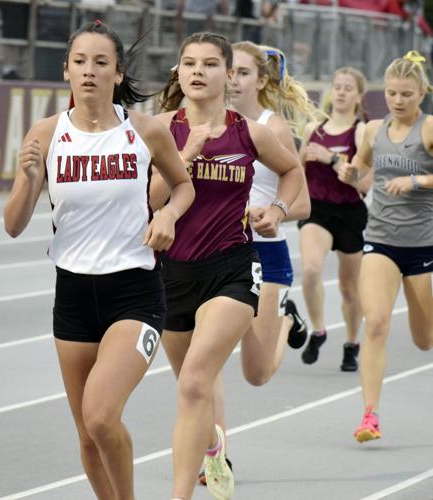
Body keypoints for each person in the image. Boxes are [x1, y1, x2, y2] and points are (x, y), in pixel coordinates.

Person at [3, 20, 194, 499]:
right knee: (87, 436)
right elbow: (13, 223)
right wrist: (29, 179)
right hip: (72, 294)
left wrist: (168, 213)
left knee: (102, 415)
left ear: (117, 72)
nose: (89, 70)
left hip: (134, 291)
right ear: (66, 70)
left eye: (100, 62)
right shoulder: (46, 134)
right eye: (80, 61)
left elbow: (184, 186)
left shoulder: (146, 131)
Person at [152, 32, 303, 500]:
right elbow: (150, 200)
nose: (198, 71)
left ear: (226, 74)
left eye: (211, 64)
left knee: (197, 380)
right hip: (171, 273)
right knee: (190, 387)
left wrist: (275, 210)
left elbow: (293, 171)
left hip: (232, 269)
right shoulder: (157, 129)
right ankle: (213, 441)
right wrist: (187, 153)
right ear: (178, 71)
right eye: (189, 63)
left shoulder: (250, 132)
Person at [193, 41, 316, 489]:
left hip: (264, 253)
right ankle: (216, 458)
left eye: (245, 73)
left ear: (261, 80)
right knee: (206, 361)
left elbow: (301, 200)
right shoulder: (206, 119)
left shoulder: (271, 127)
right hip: (216, 251)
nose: (235, 80)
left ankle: (284, 319)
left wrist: (275, 212)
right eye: (233, 72)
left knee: (257, 373)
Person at [338, 50, 433, 443]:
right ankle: (369, 415)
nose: (397, 100)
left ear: (422, 94)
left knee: (423, 339)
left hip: (422, 244)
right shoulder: (374, 129)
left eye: (406, 94)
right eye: (392, 93)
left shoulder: (428, 130)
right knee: (375, 322)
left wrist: (416, 182)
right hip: (380, 239)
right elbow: (358, 165)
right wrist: (350, 171)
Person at [298, 66, 372, 371]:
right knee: (312, 269)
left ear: (358, 95)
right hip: (316, 209)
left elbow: (365, 185)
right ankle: (318, 330)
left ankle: (352, 343)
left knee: (349, 288)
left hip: (349, 211)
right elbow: (296, 173)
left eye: (347, 87)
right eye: (337, 86)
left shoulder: (361, 131)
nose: (340, 92)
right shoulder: (312, 129)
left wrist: (331, 159)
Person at [0, 1, 29, 79]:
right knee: (11, 36)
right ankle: (8, 69)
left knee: (18, 38)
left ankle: (12, 69)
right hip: (12, 7)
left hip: (22, 8)